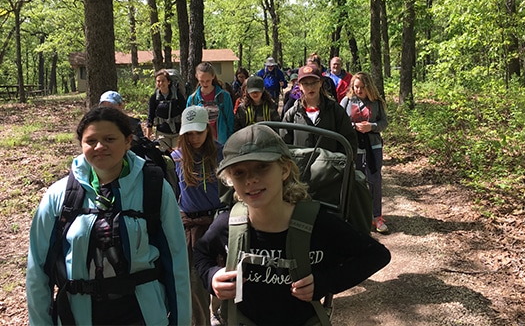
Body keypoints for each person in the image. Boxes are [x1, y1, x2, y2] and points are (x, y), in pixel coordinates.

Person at [194, 124, 391, 326]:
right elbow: (200, 253)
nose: (251, 179)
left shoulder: (318, 224)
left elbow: (376, 255)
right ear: (230, 180)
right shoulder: (228, 225)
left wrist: (326, 282)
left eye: (262, 166)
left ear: (285, 169)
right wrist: (211, 276)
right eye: (239, 172)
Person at [26, 106, 191, 325]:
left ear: (128, 141)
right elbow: (38, 271)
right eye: (91, 141)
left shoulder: (154, 188)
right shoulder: (59, 196)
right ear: (81, 145)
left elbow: (176, 262)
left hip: (143, 315)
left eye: (110, 138)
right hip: (79, 315)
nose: (100, 147)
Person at [171, 106, 224, 326]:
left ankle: (218, 313)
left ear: (208, 129)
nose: (194, 138)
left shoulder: (221, 153)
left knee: (223, 274)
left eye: (198, 132)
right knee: (195, 280)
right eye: (189, 133)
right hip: (190, 225)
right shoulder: (175, 158)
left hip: (218, 223)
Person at [340, 72, 389, 233]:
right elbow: (340, 122)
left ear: (369, 87)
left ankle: (377, 216)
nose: (359, 90)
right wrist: (354, 127)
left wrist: (371, 126)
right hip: (354, 146)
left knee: (374, 179)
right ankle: (357, 216)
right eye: (356, 87)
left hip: (373, 145)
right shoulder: (347, 101)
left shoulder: (376, 102)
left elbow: (384, 123)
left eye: (362, 87)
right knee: (355, 180)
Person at [281, 64, 357, 154]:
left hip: (329, 166)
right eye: (305, 83)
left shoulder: (335, 111)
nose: (310, 87)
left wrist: (339, 164)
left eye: (314, 82)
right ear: (300, 86)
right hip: (300, 167)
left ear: (320, 83)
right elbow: (283, 146)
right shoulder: (292, 114)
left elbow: (349, 141)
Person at [187, 61, 235, 144]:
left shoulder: (224, 96)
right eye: (202, 81)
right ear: (196, 77)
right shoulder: (192, 99)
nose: (205, 84)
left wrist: (231, 140)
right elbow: (188, 123)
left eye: (208, 81)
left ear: (213, 76)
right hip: (200, 142)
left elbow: (230, 121)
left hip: (221, 141)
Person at [146, 69, 187, 151]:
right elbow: (150, 116)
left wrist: (184, 132)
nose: (161, 83)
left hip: (177, 133)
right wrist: (147, 137)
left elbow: (184, 113)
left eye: (163, 81)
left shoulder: (178, 96)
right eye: (158, 81)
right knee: (165, 158)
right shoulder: (154, 98)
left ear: (169, 82)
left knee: (177, 156)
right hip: (162, 134)